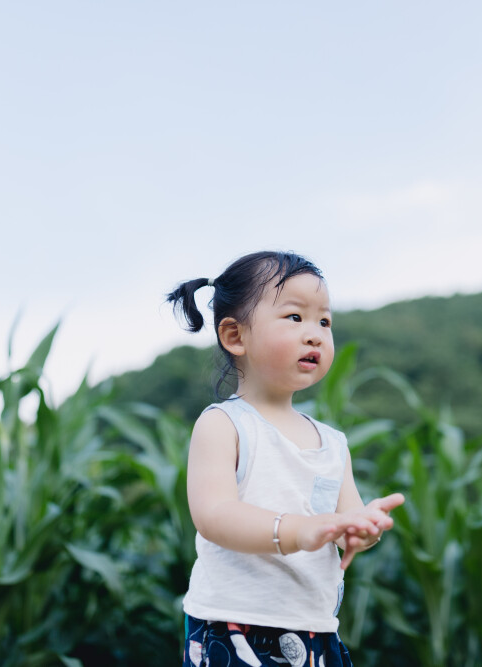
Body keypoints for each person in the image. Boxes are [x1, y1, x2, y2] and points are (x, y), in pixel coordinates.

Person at [167, 250, 405, 667]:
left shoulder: (333, 443)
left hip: (315, 629)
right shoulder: (224, 424)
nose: (314, 334)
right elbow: (214, 515)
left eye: (324, 322)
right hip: (232, 626)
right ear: (235, 336)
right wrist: (296, 531)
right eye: (295, 317)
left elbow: (342, 522)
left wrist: (362, 528)